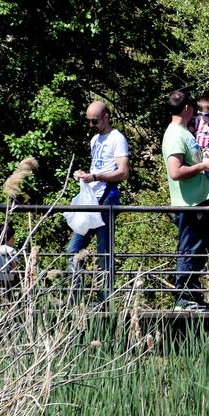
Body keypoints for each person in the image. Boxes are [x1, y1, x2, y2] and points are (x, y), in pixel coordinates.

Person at [162, 91, 209, 311]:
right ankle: (183, 298)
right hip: (189, 203)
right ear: (187, 108)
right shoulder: (176, 134)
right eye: (193, 107)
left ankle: (193, 295)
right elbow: (175, 171)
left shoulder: (186, 132)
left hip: (200, 201)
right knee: (189, 249)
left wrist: (208, 159)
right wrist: (202, 166)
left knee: (198, 250)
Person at [68, 101, 129, 298]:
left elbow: (122, 172)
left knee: (104, 252)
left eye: (94, 121)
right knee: (74, 249)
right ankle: (76, 300)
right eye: (88, 121)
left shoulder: (117, 139)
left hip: (107, 200)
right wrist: (85, 175)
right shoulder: (95, 140)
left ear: (106, 117)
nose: (91, 125)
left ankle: (105, 301)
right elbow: (97, 168)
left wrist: (95, 177)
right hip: (91, 199)